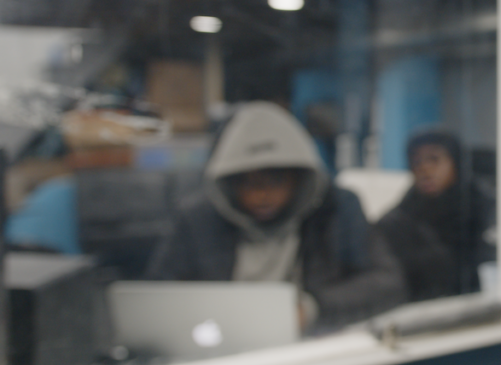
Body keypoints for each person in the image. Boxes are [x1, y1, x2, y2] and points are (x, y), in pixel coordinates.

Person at [146, 101, 405, 331]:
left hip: (309, 349)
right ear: (229, 184)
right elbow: (157, 296)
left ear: (299, 178)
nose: (261, 195)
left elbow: (387, 283)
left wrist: (312, 308)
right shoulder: (198, 219)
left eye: (274, 180)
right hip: (219, 346)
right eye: (248, 182)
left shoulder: (336, 210)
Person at [374, 129, 496, 303]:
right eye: (416, 161)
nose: (425, 168)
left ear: (456, 162)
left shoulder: (485, 207)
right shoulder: (397, 222)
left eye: (434, 159)